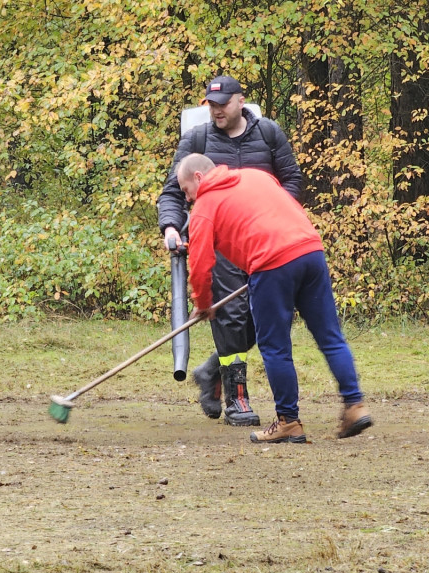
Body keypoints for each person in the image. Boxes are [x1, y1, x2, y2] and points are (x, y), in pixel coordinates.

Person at [177, 153, 372, 443]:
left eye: (185, 191)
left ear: (199, 178)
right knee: (331, 337)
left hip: (271, 264)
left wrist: (202, 302)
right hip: (310, 251)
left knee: (275, 347)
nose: (188, 199)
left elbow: (201, 262)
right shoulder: (257, 176)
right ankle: (355, 406)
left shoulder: (205, 205)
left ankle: (288, 422)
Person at [158, 75, 302, 426]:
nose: (217, 110)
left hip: (264, 243)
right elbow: (173, 191)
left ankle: (210, 371)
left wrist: (276, 217)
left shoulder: (268, 133)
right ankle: (237, 398)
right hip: (220, 241)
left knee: (269, 317)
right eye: (212, 105)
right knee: (232, 316)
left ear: (241, 102)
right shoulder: (198, 138)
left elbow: (292, 180)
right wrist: (171, 226)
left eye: (223, 104)